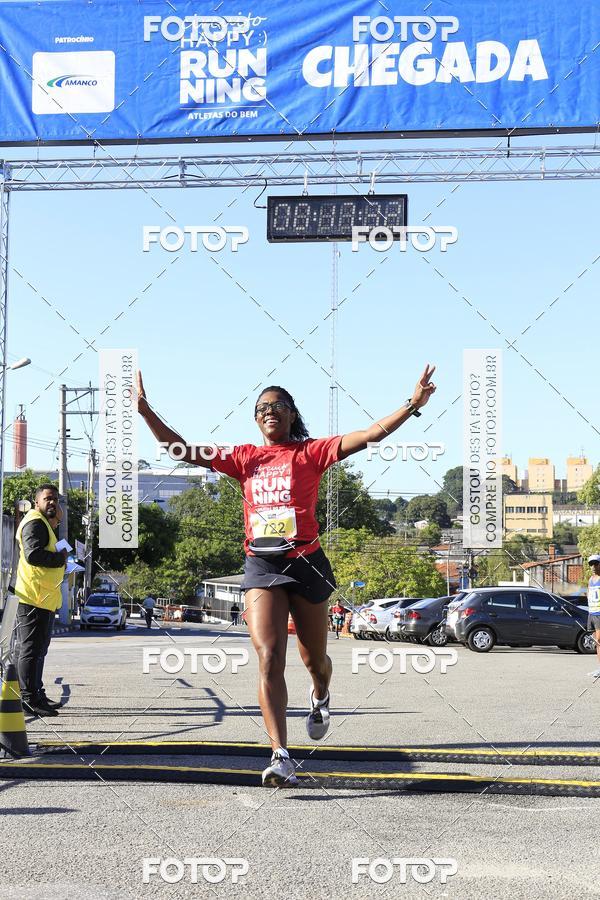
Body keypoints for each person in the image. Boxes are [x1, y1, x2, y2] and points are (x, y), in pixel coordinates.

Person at [136, 365, 436, 786]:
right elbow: (181, 449)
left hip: (307, 564)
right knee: (269, 656)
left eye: (278, 406)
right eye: (262, 408)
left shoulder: (311, 452)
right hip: (262, 565)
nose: (269, 412)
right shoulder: (244, 458)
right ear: (256, 419)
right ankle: (280, 754)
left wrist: (412, 405)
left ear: (292, 414)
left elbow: (371, 434)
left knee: (314, 660)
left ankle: (320, 695)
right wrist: (145, 412)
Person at [13, 485, 67, 717]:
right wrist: (60, 559)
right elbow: (33, 555)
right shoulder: (34, 522)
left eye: (55, 499)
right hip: (33, 596)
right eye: (47, 499)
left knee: (38, 650)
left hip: (43, 597)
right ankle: (27, 699)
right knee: (30, 649)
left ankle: (36, 694)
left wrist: (57, 524)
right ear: (37, 502)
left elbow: (55, 548)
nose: (52, 503)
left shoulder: (46, 524)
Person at [587, 554, 600, 677]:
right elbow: (588, 594)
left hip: (599, 614)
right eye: (591, 564)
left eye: (596, 564)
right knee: (596, 642)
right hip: (592, 613)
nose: (594, 566)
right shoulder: (591, 580)